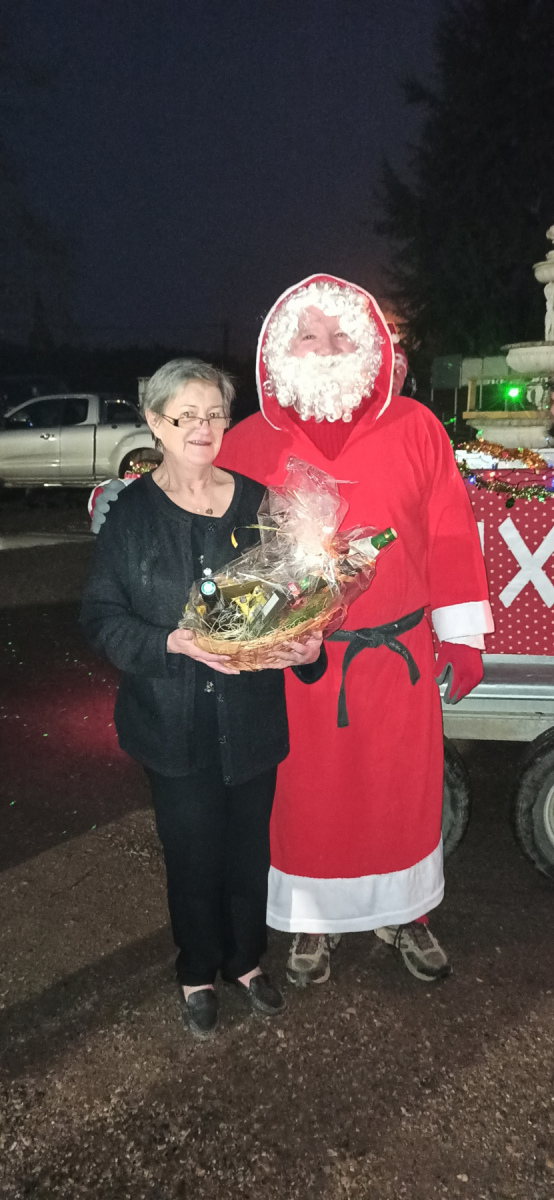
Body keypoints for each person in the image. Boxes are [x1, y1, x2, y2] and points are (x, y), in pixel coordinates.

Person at [91, 277, 493, 991]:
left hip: (395, 663)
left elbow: (451, 532)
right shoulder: (245, 440)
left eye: (342, 336)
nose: (327, 348)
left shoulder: (418, 428)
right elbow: (199, 519)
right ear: (279, 352)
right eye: (308, 336)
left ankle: (408, 913)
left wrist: (462, 635)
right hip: (294, 663)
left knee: (397, 794)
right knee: (308, 805)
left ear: (371, 349)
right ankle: (311, 919)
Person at [81, 358, 322, 1038]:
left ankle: (246, 961)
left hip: (250, 719)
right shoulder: (132, 514)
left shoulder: (260, 504)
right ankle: (197, 969)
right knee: (191, 853)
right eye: (186, 415)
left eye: (215, 413)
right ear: (155, 423)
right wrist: (170, 643)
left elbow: (295, 602)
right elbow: (101, 617)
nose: (203, 427)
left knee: (247, 850)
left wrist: (307, 649)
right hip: (172, 721)